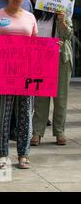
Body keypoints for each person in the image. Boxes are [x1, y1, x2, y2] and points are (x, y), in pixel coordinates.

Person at [0, 0, 37, 169]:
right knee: (3, 114)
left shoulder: (30, 17)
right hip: (2, 74)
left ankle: (23, 154)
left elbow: (35, 43)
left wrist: (48, 49)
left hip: (25, 72)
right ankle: (2, 153)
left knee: (25, 114)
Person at [31, 10, 73, 146]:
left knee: (60, 97)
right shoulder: (35, 15)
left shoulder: (63, 14)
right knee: (40, 98)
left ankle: (59, 132)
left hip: (61, 58)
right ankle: (37, 132)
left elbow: (68, 35)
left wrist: (61, 21)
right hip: (41, 59)